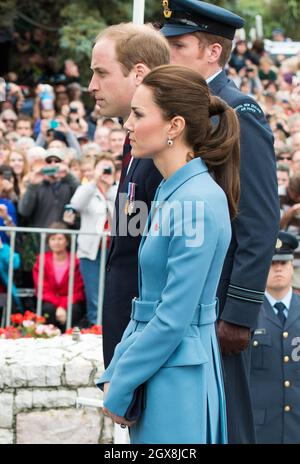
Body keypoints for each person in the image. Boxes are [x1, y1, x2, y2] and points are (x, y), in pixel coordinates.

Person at [97, 64, 240, 444]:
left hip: (178, 377)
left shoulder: (194, 199)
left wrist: (122, 381)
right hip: (166, 368)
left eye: (139, 114)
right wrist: (118, 370)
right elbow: (149, 304)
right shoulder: (172, 191)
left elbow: (172, 317)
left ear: (174, 126)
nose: (127, 123)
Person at [160, 0, 279, 444]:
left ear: (213, 52)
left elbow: (260, 220)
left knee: (225, 424)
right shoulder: (176, 108)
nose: (167, 51)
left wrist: (239, 313)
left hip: (217, 306)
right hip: (182, 299)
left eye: (179, 44)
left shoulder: (236, 111)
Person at [88, 22, 170, 367]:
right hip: (128, 333)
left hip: (147, 343)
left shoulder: (165, 152)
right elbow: (128, 235)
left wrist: (135, 364)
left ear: (138, 73)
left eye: (101, 73)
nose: (92, 86)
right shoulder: (135, 143)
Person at [250, 231, 300, 444]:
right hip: (258, 428)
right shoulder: (247, 313)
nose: (278, 268)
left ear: (292, 267)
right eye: (272, 263)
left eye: (283, 263)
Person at [63, 155, 117, 325]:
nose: (106, 171)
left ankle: (109, 328)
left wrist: (110, 187)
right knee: (93, 293)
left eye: (110, 168)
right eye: (103, 168)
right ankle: (96, 327)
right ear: (94, 170)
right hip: (91, 250)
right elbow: (76, 205)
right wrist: (94, 181)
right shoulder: (87, 189)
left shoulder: (117, 190)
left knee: (112, 292)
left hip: (113, 250)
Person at [32, 222, 86, 332]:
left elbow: (77, 290)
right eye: (52, 239)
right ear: (48, 242)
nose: (56, 242)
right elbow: (42, 289)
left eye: (60, 239)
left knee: (74, 309)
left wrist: (63, 306)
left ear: (67, 241)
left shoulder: (76, 261)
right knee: (48, 309)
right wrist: (58, 307)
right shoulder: (41, 260)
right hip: (50, 303)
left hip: (70, 302)